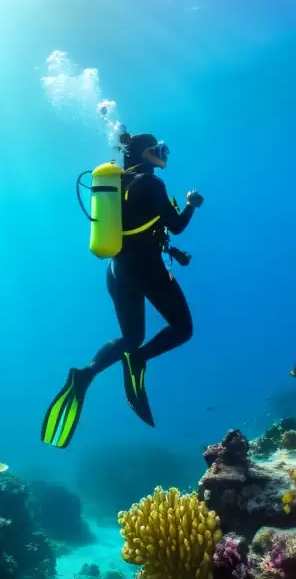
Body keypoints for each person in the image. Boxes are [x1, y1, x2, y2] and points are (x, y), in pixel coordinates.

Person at [41, 131, 203, 448]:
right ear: (144, 153)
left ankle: (85, 375)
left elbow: (139, 227)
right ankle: (138, 361)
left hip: (118, 269)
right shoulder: (152, 183)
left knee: (130, 336)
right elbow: (177, 225)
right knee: (182, 328)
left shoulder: (117, 184)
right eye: (159, 149)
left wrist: (170, 250)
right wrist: (191, 204)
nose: (164, 154)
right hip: (146, 267)